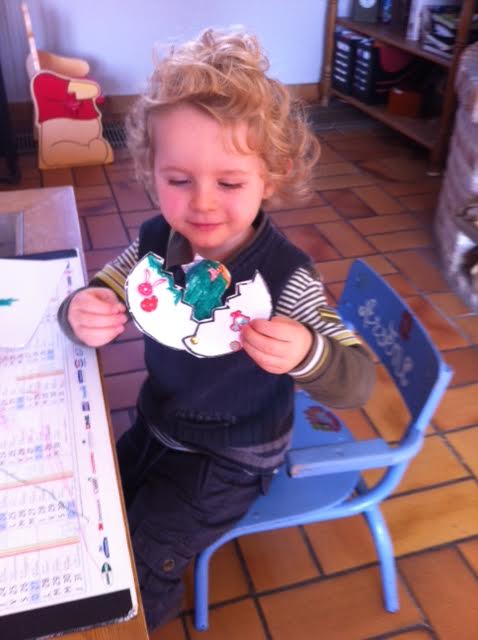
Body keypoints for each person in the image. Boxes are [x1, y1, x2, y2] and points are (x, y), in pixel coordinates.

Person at [58, 28, 375, 631]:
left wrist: (307, 352)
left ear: (272, 176)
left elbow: (357, 381)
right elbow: (105, 287)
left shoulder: (286, 279)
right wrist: (84, 308)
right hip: (158, 423)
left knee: (141, 562)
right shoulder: (156, 243)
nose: (202, 204)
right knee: (94, 509)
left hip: (230, 456)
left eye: (229, 183)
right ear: (151, 171)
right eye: (179, 180)